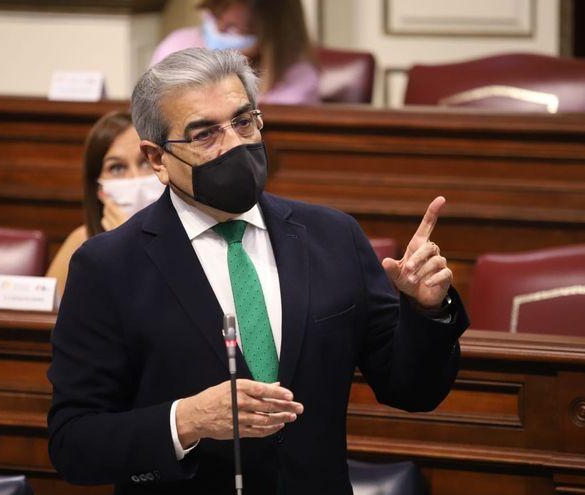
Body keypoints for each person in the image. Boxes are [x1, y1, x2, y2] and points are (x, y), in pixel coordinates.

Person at [47, 48, 468, 494]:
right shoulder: (109, 267)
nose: (234, 145)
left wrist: (427, 312)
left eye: (244, 122)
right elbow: (74, 443)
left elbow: (413, 390)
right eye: (205, 134)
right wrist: (186, 422)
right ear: (157, 159)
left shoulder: (332, 238)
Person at [46, 111, 163, 294]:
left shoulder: (190, 236)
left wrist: (129, 243)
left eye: (145, 163)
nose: (135, 178)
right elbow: (45, 313)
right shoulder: (82, 240)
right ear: (99, 188)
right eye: (117, 168)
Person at [150, 0, 320, 105]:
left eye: (232, 29)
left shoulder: (300, 79)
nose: (218, 28)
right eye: (214, 15)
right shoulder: (176, 45)